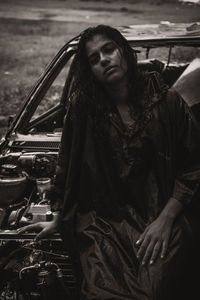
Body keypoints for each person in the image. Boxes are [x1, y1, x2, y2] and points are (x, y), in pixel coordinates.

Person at [18, 25, 200, 300]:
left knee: (153, 289)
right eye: (93, 58)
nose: (103, 59)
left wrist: (166, 220)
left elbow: (193, 166)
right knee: (100, 291)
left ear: (124, 51)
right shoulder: (83, 110)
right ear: (89, 70)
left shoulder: (168, 102)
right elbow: (67, 167)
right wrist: (58, 218)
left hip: (163, 215)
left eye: (108, 49)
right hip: (103, 224)